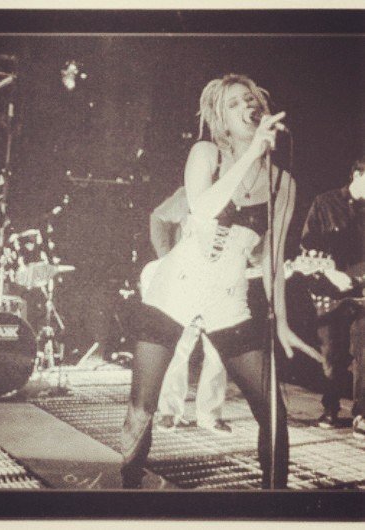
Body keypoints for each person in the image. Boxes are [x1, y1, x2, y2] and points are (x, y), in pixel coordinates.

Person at [121, 73, 321, 489]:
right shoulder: (206, 153)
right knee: (142, 407)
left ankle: (275, 503)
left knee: (272, 412)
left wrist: (282, 321)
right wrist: (251, 154)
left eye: (250, 99)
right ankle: (129, 490)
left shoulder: (282, 182)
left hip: (228, 299)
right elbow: (203, 207)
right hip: (175, 288)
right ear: (221, 120)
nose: (246, 106)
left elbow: (272, 258)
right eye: (234, 103)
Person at [144, 186, 231, 434]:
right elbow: (158, 217)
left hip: (221, 282)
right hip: (186, 281)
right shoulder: (192, 191)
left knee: (218, 350)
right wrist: (166, 257)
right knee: (179, 348)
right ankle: (169, 412)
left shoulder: (239, 194)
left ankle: (210, 415)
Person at [300, 155, 365, 439]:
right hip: (330, 290)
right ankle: (330, 407)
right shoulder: (325, 203)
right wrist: (331, 274)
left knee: (363, 351)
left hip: (361, 292)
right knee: (332, 353)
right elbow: (308, 246)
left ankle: (361, 414)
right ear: (357, 175)